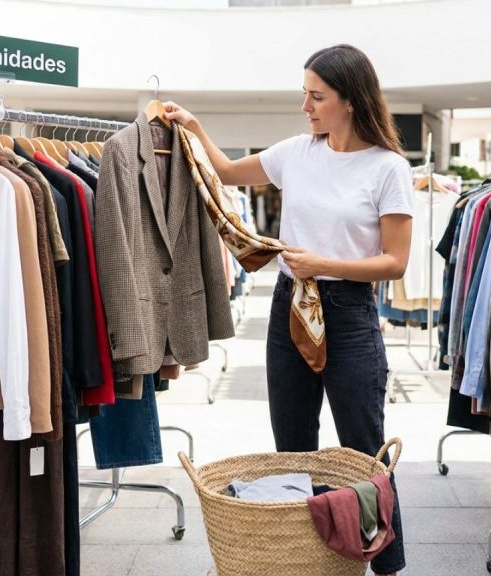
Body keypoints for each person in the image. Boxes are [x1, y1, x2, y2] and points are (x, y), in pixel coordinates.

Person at [165, 43, 412, 576]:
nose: (306, 105)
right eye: (304, 93)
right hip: (289, 310)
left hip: (347, 315)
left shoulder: (388, 167)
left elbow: (395, 262)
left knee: (365, 453)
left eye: (316, 96)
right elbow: (228, 173)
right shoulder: (297, 152)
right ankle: (304, 561)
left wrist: (323, 261)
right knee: (291, 448)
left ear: (350, 100)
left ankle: (386, 565)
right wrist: (193, 124)